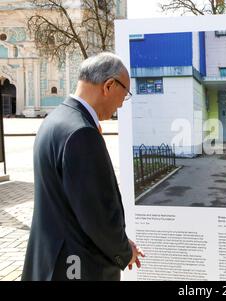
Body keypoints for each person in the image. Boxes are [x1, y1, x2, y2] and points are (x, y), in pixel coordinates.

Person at [22, 53, 144, 281]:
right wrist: (125, 252)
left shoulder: (55, 119)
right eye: (125, 94)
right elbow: (97, 215)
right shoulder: (82, 133)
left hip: (51, 259)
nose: (121, 104)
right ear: (109, 85)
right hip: (77, 266)